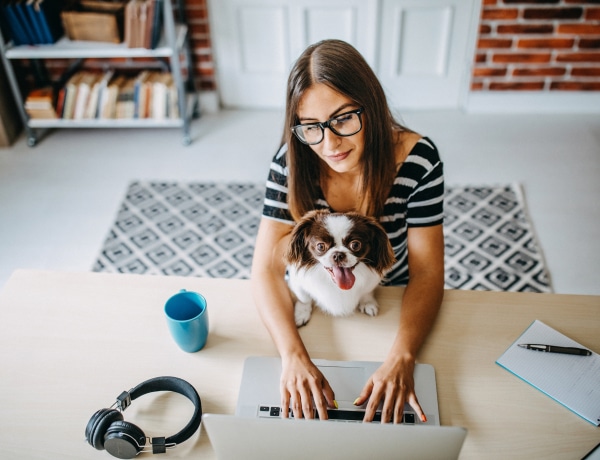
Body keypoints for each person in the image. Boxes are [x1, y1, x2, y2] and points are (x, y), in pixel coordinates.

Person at [251, 39, 445, 424]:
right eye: (311, 127)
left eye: (342, 119)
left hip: (389, 296)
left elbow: (427, 271)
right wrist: (292, 356)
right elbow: (266, 270)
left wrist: (402, 357)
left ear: (370, 105)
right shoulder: (291, 162)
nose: (330, 144)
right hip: (314, 298)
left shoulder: (419, 160)